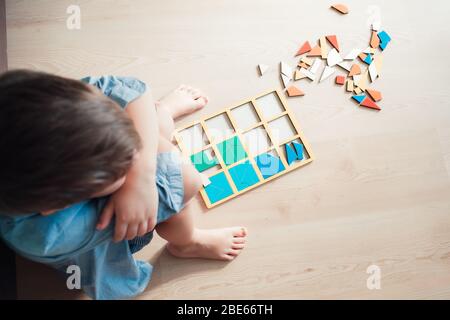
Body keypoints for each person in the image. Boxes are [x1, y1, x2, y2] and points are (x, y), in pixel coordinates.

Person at [0, 70, 247, 299]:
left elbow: (134, 91)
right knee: (173, 174)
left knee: (135, 127)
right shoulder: (52, 232)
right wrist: (143, 177)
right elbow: (187, 182)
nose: (133, 161)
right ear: (57, 204)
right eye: (121, 169)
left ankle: (157, 121)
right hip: (100, 242)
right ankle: (187, 243)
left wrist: (141, 171)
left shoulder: (55, 107)